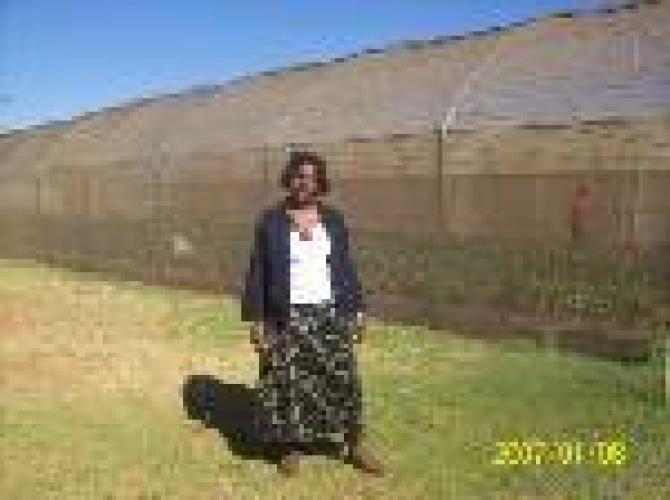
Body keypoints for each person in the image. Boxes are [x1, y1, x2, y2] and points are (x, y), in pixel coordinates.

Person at [240, 150, 384, 476]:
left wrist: (358, 311)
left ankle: (353, 443)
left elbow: (345, 268)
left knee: (342, 380)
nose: (305, 183)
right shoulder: (271, 221)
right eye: (299, 176)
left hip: (330, 314)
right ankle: (290, 447)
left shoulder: (333, 219)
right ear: (289, 178)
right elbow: (258, 272)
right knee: (286, 383)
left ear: (320, 183)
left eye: (312, 178)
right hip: (286, 316)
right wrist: (256, 320)